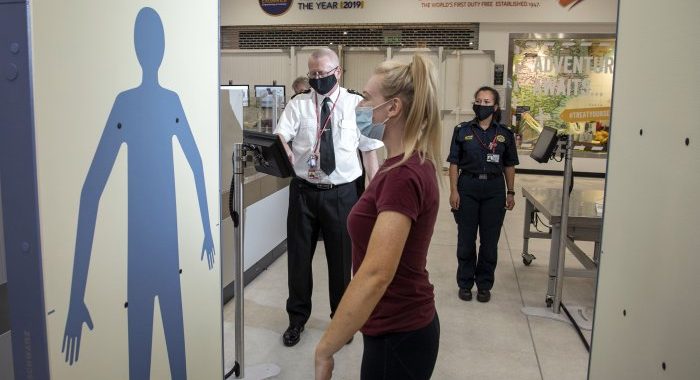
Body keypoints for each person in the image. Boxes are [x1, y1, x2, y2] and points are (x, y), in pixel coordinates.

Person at [315, 54, 442, 380]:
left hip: (398, 334)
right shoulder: (405, 162)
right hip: (394, 325)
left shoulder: (403, 174)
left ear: (393, 108)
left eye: (368, 98)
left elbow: (375, 274)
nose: (359, 106)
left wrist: (325, 348)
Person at [274, 48, 382, 347]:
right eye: (313, 74)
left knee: (341, 261)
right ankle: (297, 320)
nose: (318, 78)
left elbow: (370, 152)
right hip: (303, 193)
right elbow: (281, 136)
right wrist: (282, 149)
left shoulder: (358, 104)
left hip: (343, 194)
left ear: (338, 71)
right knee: (298, 260)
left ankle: (342, 320)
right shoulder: (298, 104)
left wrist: (374, 196)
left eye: (323, 73)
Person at [447, 86, 519, 303]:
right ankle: (465, 283)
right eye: (479, 101)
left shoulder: (505, 134)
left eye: (487, 102)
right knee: (466, 240)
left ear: (495, 107)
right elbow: (453, 163)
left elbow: (509, 165)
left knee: (489, 243)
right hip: (467, 187)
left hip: (494, 191)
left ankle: (485, 285)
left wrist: (511, 192)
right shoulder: (462, 130)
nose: (482, 105)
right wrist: (453, 191)